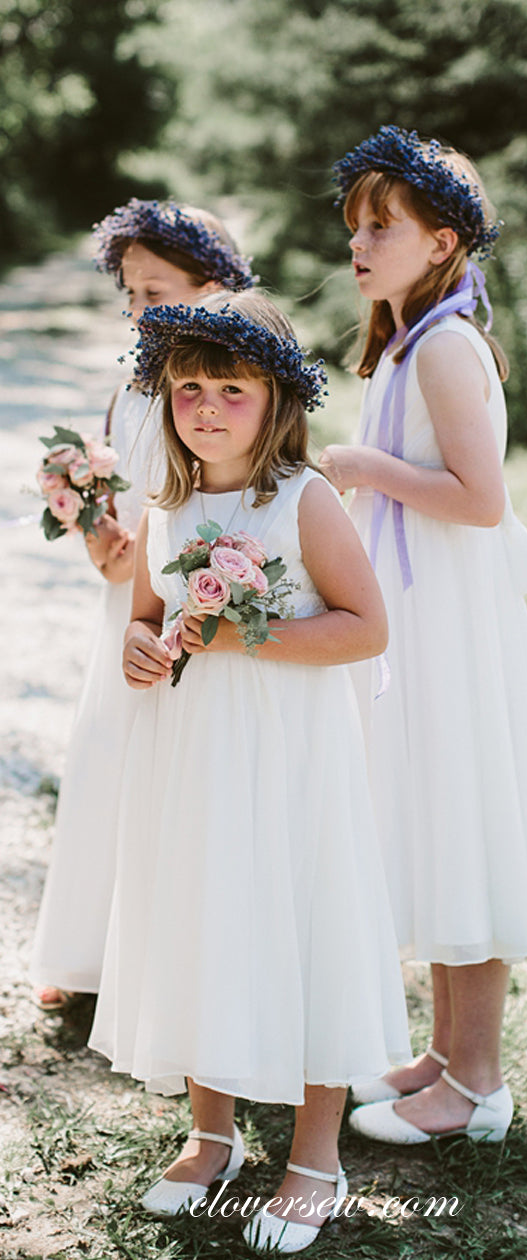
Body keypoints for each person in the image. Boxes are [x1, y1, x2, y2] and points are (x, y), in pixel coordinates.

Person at [87, 289, 411, 1252]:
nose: (208, 408)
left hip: (287, 755)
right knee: (200, 915)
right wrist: (139, 648)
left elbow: (366, 627)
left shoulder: (304, 500)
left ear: (277, 398)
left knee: (300, 923)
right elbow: (145, 616)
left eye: (232, 387)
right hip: (191, 758)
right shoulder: (167, 506)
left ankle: (316, 1155)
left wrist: (241, 635)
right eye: (188, 387)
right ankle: (212, 1130)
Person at [319, 126, 527, 1146]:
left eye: (380, 228)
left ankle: (478, 1083)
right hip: (418, 616)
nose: (358, 244)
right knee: (434, 825)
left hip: (452, 624)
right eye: (353, 226)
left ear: (441, 242)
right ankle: (442, 1053)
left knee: (463, 830)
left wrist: (359, 466)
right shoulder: (406, 340)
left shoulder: (442, 346)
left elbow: (481, 500)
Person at [30, 200, 255, 1011]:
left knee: (174, 777)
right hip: (123, 608)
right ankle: (87, 951)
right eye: (130, 296)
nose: (138, 312)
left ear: (215, 286)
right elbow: (120, 500)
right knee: (106, 762)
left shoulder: (222, 394)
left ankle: (166, 968)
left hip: (188, 609)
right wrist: (95, 532)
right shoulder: (130, 385)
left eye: (156, 294)